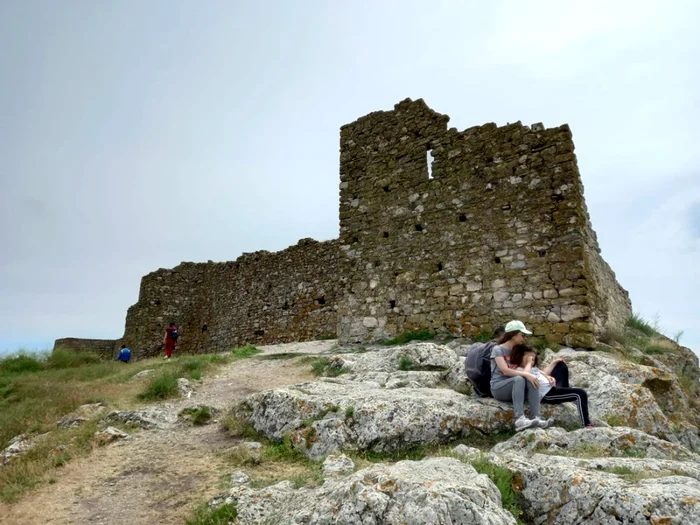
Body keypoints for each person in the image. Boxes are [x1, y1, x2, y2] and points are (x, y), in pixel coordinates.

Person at [490, 320, 553, 431]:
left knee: (530, 378)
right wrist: (526, 374)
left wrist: (545, 375)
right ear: (513, 335)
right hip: (498, 387)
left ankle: (536, 418)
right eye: (522, 335)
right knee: (520, 378)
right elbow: (505, 371)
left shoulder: (517, 351)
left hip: (515, 387)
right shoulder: (497, 349)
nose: (525, 338)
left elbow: (531, 369)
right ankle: (520, 419)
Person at [510, 345, 593, 429]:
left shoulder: (532, 368)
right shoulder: (519, 370)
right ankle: (587, 424)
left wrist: (552, 366)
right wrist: (528, 363)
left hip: (554, 387)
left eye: (533, 358)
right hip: (548, 394)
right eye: (529, 357)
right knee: (581, 394)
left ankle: (567, 392)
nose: (531, 360)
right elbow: (525, 374)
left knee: (561, 365)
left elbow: (544, 372)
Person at [465, 325, 505, 398]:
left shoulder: (478, 346)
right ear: (504, 336)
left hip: (477, 386)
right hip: (488, 388)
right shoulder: (495, 348)